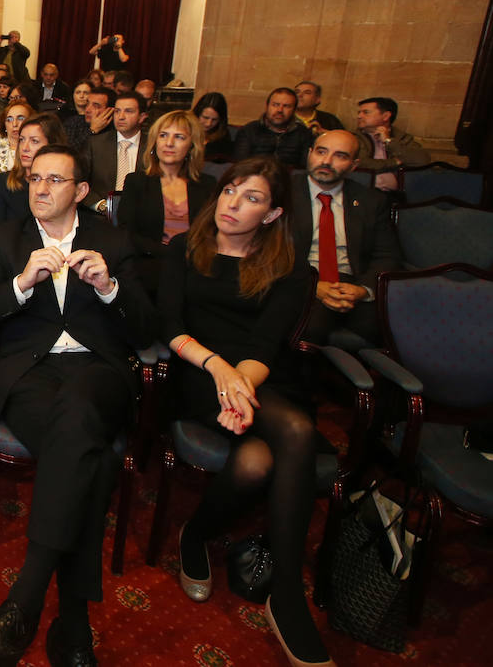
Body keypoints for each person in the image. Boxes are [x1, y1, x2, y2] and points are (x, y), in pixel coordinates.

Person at [0, 145, 154, 667]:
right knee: (87, 454)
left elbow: (148, 329)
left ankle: (23, 601)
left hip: (98, 370)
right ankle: (73, 620)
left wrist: (109, 288)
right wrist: (21, 284)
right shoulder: (4, 240)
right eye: (34, 178)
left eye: (54, 180)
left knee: (82, 411)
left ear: (81, 191)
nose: (40, 189)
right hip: (29, 374)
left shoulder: (112, 241)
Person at [160, 157, 328, 667]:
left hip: (257, 377)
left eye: (251, 197)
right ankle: (287, 592)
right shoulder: (182, 249)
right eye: (230, 189)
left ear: (274, 213)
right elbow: (169, 325)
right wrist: (219, 373)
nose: (232, 203)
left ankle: (201, 536)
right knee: (295, 432)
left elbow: (265, 343)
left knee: (260, 459)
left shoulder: (289, 269)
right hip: (194, 371)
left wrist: (239, 386)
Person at [291, 130, 401, 347]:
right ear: (309, 153)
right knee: (310, 328)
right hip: (299, 280)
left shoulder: (371, 200)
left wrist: (362, 290)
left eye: (340, 156)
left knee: (398, 333)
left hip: (351, 285)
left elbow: (387, 255)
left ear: (353, 165)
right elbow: (262, 251)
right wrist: (312, 287)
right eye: (321, 152)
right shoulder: (282, 191)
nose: (327, 161)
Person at [117, 110, 217, 298]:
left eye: (179, 137)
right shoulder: (136, 181)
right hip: (149, 267)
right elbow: (127, 232)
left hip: (194, 268)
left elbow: (210, 232)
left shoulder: (207, 184)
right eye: (163, 135)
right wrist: (171, 254)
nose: (169, 143)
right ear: (155, 141)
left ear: (192, 145)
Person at [0, 113, 67, 230]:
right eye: (22, 140)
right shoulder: (1, 183)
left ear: (52, 145)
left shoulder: (65, 184)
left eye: (34, 141)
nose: (25, 147)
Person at [83, 91, 149, 212]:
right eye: (117, 111)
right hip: (101, 214)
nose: (121, 116)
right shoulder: (96, 144)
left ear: (142, 117)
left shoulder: (152, 146)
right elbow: (81, 180)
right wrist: (101, 206)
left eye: (128, 111)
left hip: (141, 214)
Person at [233, 87, 312, 168]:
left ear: (294, 110)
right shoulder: (249, 130)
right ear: (267, 106)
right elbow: (241, 165)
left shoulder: (303, 134)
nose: (280, 110)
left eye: (286, 106)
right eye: (275, 105)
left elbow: (305, 168)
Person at [354, 96, 430, 175]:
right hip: (364, 185)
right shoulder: (353, 137)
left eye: (366, 112)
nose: (359, 116)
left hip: (399, 186)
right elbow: (361, 163)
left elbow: (423, 160)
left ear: (386, 116)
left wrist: (389, 141)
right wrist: (395, 162)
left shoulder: (402, 138)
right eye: (359, 112)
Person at [63, 85, 114, 155]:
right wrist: (92, 130)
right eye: (87, 104)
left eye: (96, 106)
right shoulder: (73, 123)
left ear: (110, 111)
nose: (87, 110)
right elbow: (68, 153)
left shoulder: (116, 130)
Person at [193, 92, 234, 162]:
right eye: (205, 117)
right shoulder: (184, 129)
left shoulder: (223, 138)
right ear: (197, 114)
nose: (208, 124)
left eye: (214, 119)